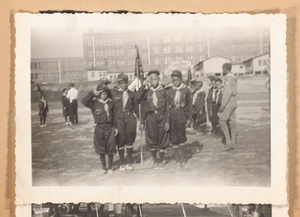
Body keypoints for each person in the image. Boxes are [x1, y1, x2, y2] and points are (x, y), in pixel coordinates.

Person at [136, 70, 170, 169]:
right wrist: (143, 86)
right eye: (151, 79)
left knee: (163, 139)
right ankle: (155, 160)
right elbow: (137, 99)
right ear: (149, 80)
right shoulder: (146, 92)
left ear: (159, 79)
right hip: (150, 117)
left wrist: (167, 121)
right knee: (152, 139)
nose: (154, 81)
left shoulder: (163, 91)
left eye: (156, 79)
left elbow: (168, 107)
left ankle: (161, 160)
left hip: (162, 117)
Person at [81, 83, 118, 175]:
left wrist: (115, 127)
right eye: (101, 93)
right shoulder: (94, 103)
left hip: (110, 127)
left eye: (105, 93)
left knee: (111, 146)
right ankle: (103, 168)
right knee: (101, 147)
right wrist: (94, 93)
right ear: (99, 94)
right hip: (99, 127)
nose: (104, 95)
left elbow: (114, 116)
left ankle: (110, 167)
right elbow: (84, 101)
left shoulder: (110, 103)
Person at [110, 73, 138, 171]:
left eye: (125, 83)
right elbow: (112, 109)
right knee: (120, 140)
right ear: (118, 83)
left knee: (130, 138)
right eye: (121, 83)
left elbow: (136, 108)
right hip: (118, 118)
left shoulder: (132, 94)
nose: (123, 85)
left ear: (127, 83)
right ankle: (122, 162)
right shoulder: (114, 93)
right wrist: (113, 124)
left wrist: (140, 120)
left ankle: (129, 161)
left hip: (130, 117)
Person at [167, 70, 192, 168]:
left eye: (177, 80)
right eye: (173, 80)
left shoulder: (186, 90)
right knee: (174, 139)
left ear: (181, 79)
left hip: (182, 116)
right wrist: (167, 120)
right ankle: (177, 160)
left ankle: (182, 158)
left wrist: (189, 119)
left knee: (181, 138)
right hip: (172, 117)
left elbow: (189, 106)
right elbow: (167, 107)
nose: (175, 82)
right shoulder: (169, 91)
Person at [218, 63, 237, 151]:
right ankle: (233, 143)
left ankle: (228, 142)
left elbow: (227, 92)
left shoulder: (229, 78)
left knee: (222, 120)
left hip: (228, 101)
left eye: (223, 69)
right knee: (232, 121)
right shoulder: (233, 77)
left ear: (225, 69)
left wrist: (223, 105)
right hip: (233, 101)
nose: (222, 71)